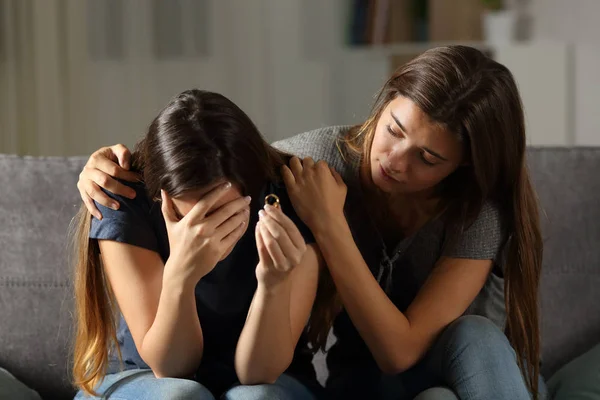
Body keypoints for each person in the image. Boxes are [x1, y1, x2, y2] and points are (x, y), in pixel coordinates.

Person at [76, 46, 546, 399]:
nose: (396, 162)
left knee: (473, 341)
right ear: (382, 105)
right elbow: (220, 153)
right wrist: (103, 166)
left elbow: (398, 353)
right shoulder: (310, 167)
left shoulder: (476, 209)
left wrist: (327, 227)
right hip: (355, 379)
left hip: (451, 366)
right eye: (393, 130)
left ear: (463, 166)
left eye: (427, 157)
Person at [70, 89, 330, 400]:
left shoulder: (293, 198)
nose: (204, 231)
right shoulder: (125, 198)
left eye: (223, 212)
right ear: (161, 197)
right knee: (180, 396)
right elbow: (171, 368)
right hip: (145, 375)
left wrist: (273, 284)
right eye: (187, 216)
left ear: (254, 189)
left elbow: (259, 374)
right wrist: (181, 274)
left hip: (275, 380)